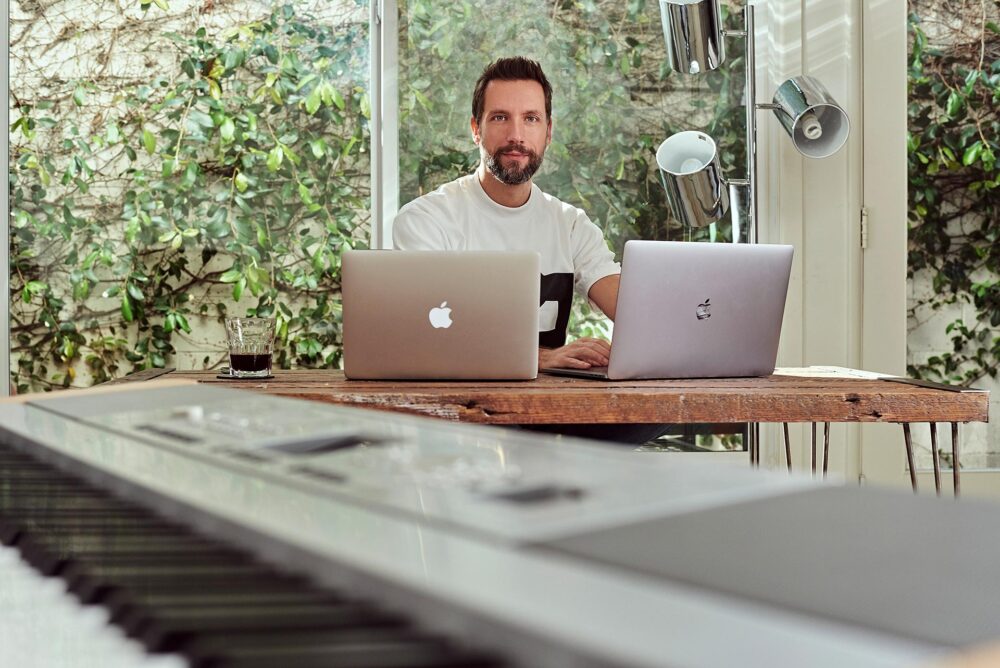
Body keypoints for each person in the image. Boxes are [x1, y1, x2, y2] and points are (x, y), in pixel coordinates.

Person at [393, 56, 665, 444]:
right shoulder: (427, 220)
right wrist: (538, 358)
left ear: (548, 132)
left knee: (662, 406)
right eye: (500, 117)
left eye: (531, 119)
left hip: (545, 413)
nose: (516, 134)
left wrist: (694, 324)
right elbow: (425, 340)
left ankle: (567, 492)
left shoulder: (570, 224)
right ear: (476, 129)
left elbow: (636, 313)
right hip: (461, 417)